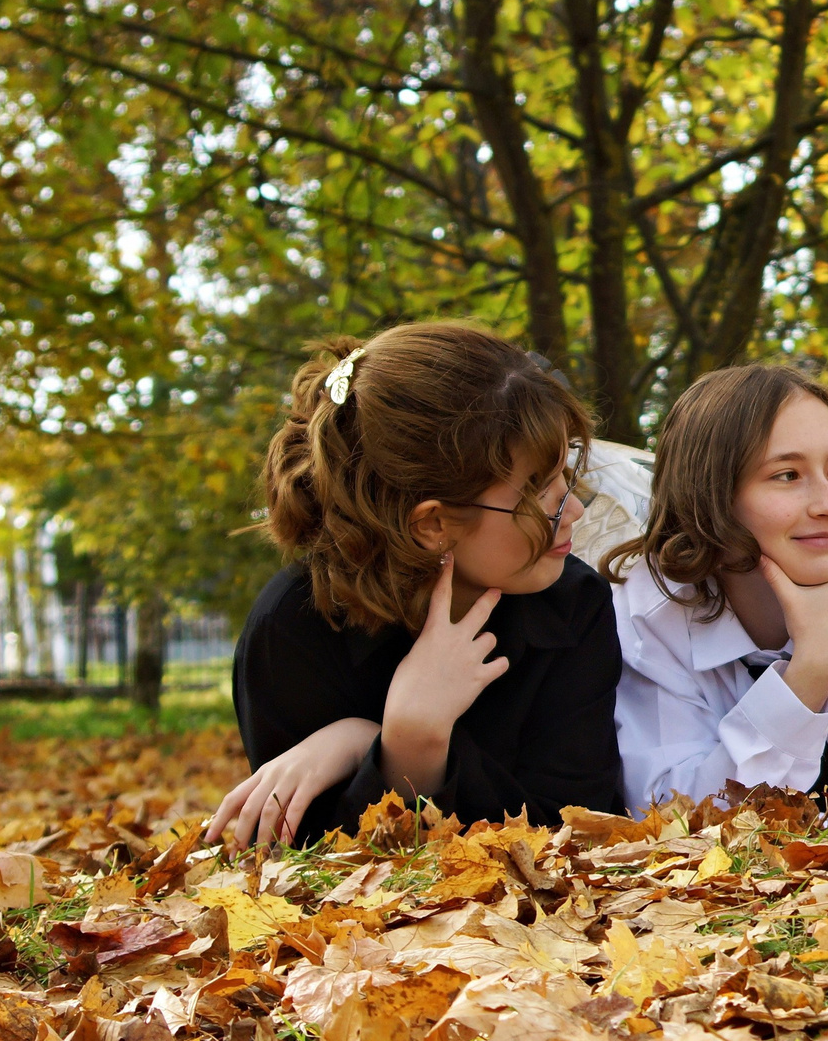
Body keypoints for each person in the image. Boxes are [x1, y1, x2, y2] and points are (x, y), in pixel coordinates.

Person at [209, 323, 623, 850]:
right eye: (540, 492)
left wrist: (392, 744)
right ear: (432, 524)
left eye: (566, 474)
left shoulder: (573, 604)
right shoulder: (293, 630)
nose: (576, 510)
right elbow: (303, 858)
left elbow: (581, 833)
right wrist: (405, 744)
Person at [604, 365, 828, 809]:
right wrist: (807, 680)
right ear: (709, 496)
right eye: (787, 476)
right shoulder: (651, 608)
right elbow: (671, 819)